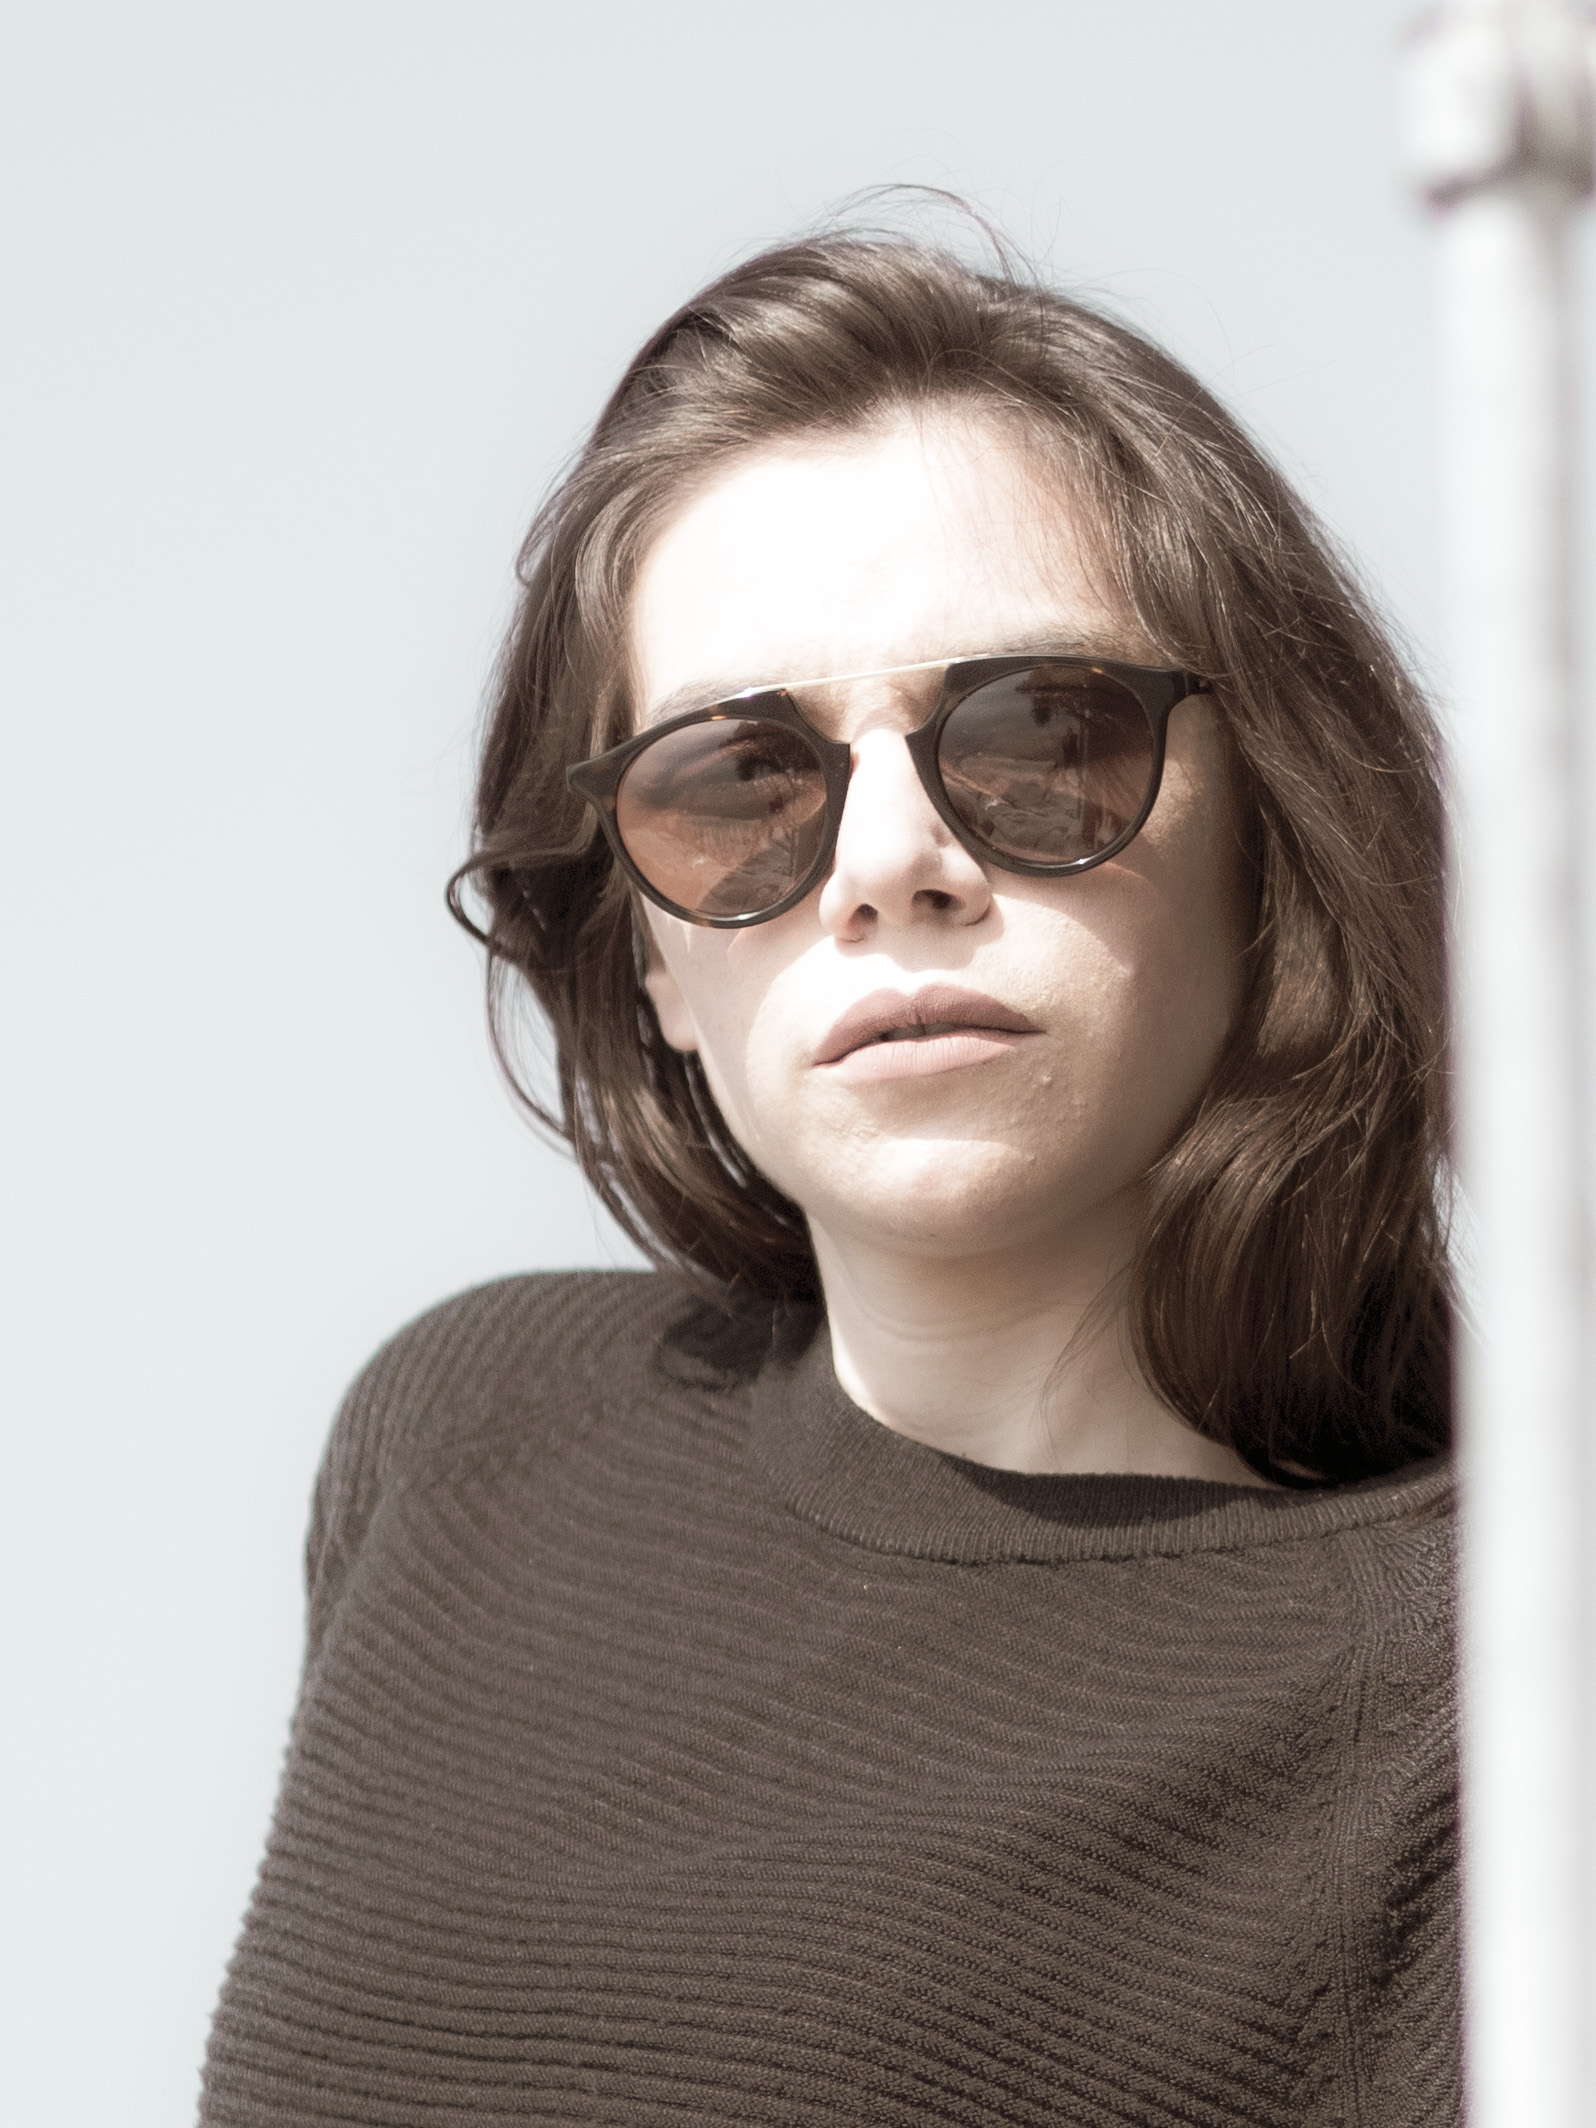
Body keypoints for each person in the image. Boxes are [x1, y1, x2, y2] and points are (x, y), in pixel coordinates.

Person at [199, 231, 1457, 2126]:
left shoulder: (1488, 1695)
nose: (887, 863)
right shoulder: (464, 1439)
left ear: (1270, 834)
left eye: (1040, 738)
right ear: (646, 955)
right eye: (738, 785)